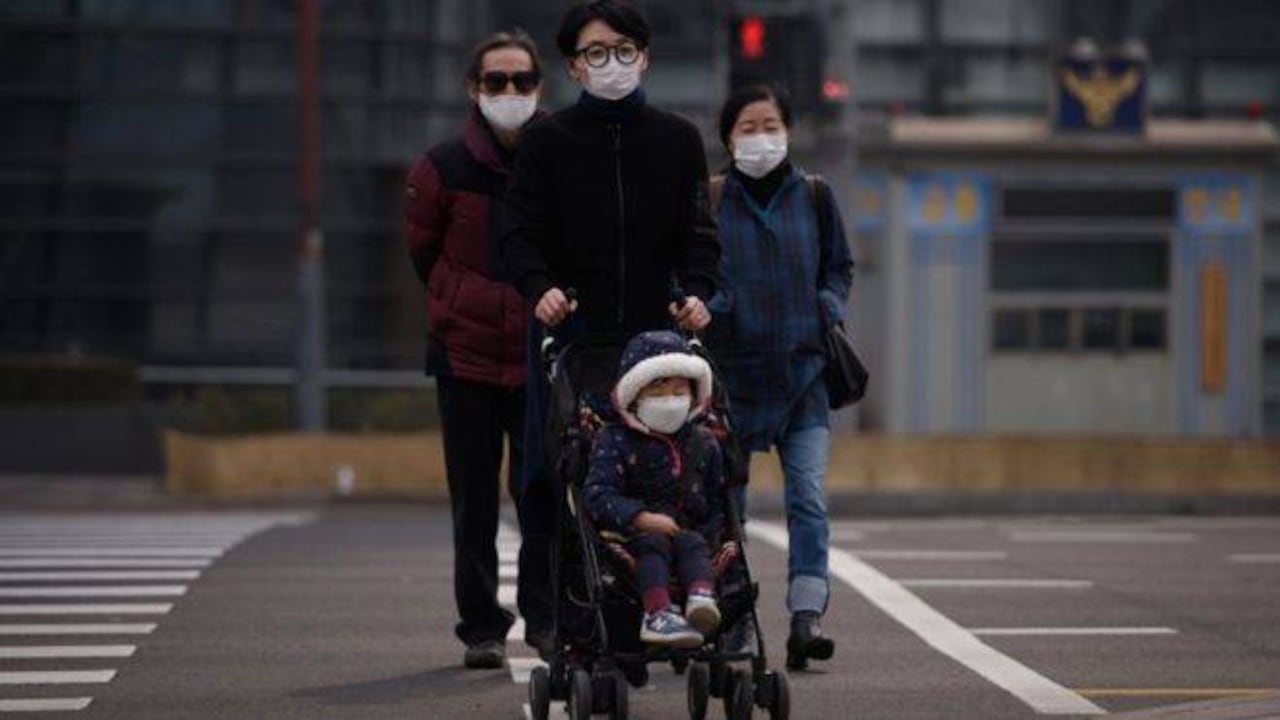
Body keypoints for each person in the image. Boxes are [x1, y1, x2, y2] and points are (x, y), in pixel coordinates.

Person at [499, 0, 720, 658]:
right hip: (574, 337)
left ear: (645, 56)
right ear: (573, 65)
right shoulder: (548, 142)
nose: (612, 64)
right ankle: (554, 616)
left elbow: (699, 237)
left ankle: (687, 600)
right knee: (551, 474)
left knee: (683, 474)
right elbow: (517, 235)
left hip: (656, 343)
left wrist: (699, 296)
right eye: (596, 53)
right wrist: (539, 292)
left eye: (624, 50)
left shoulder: (678, 140)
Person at [403, 30, 552, 669]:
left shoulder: (558, 159)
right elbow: (422, 252)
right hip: (463, 357)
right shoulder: (441, 167)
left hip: (540, 354)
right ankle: (482, 627)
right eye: (497, 81)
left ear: (539, 87)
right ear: (474, 89)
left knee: (543, 493)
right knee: (473, 501)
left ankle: (547, 619)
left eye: (522, 81)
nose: (510, 93)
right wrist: (456, 300)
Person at [705, 84, 854, 671]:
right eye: (748, 127)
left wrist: (827, 305)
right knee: (724, 508)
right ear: (728, 137)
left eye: (770, 125)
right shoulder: (711, 199)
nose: (760, 137)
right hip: (730, 383)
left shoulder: (815, 196)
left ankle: (806, 616)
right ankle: (735, 618)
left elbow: (839, 266)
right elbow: (689, 271)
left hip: (803, 378)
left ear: (788, 131)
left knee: (809, 499)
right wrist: (715, 303)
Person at [582, 330, 725, 648]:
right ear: (634, 395)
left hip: (688, 533)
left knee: (695, 544)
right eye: (658, 391)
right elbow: (597, 495)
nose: (671, 400)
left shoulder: (703, 442)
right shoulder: (615, 440)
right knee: (654, 545)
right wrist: (640, 518)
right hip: (632, 536)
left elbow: (717, 500)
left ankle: (701, 599)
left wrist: (711, 531)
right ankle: (657, 613)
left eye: (679, 390)